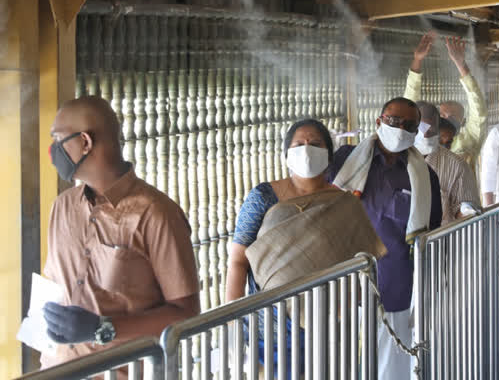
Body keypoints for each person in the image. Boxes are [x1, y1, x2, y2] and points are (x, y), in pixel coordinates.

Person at [41, 96, 200, 371]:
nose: (51, 151)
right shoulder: (62, 207)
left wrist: (102, 328)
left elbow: (185, 313)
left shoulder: (156, 214)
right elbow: (54, 285)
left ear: (85, 143)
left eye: (58, 139)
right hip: (59, 369)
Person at [226, 119, 385, 373]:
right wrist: (231, 325)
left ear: (329, 154)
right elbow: (238, 261)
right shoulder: (263, 197)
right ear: (287, 154)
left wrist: (346, 309)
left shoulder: (344, 204)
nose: (307, 149)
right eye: (299, 144)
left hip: (332, 325)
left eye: (315, 144)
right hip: (272, 327)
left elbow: (361, 263)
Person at [328, 97, 443, 380]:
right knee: (342, 361)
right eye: (393, 121)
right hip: (345, 286)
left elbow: (431, 229)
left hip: (395, 285)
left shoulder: (424, 177)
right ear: (379, 122)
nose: (399, 128)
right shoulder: (346, 160)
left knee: (392, 366)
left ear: (416, 133)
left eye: (409, 125)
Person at [405, 32, 487, 171]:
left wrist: (461, 65)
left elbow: (478, 108)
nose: (444, 119)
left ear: (462, 122)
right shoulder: (421, 140)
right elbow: (408, 108)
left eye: (451, 116)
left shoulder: (468, 142)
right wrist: (417, 60)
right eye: (441, 115)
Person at [414, 101, 480, 224]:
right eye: (421, 128)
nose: (426, 134)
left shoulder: (457, 166)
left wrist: (467, 211)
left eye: (431, 129)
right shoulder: (393, 160)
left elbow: (465, 211)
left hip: (440, 239)